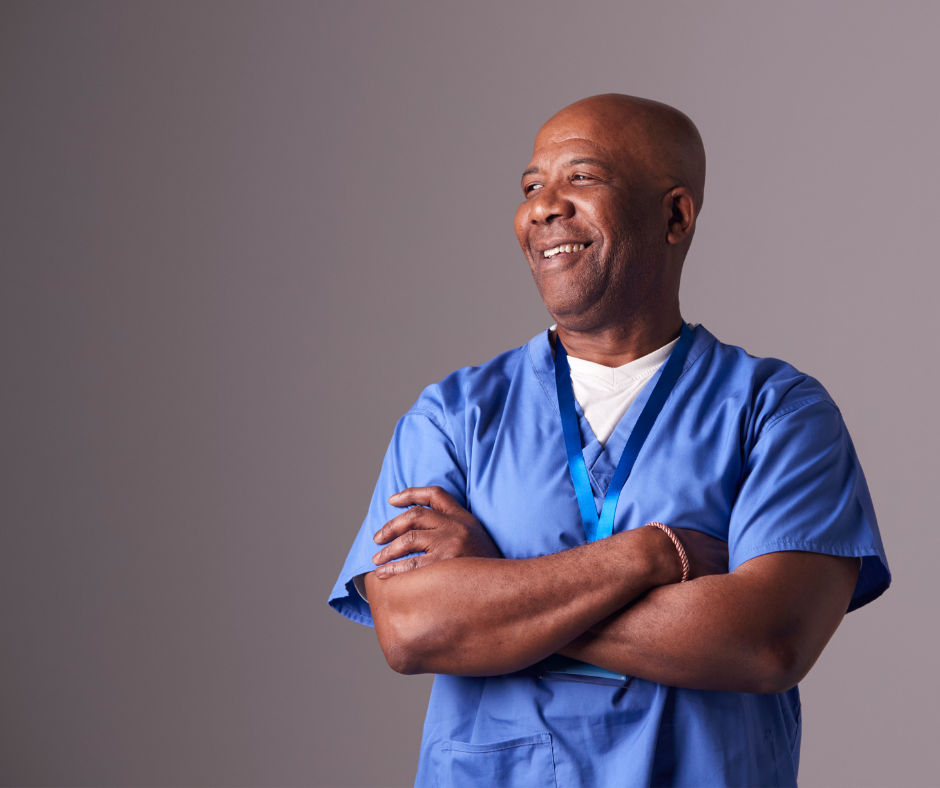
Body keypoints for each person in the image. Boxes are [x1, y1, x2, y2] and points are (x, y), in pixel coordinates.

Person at [328, 94, 890, 787]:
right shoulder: (454, 417)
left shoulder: (777, 414)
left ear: (675, 215)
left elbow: (768, 642)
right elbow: (414, 631)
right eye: (532, 186)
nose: (543, 207)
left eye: (581, 178)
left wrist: (495, 594)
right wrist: (650, 555)